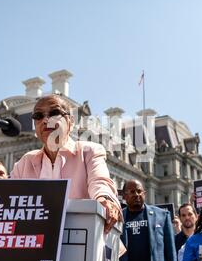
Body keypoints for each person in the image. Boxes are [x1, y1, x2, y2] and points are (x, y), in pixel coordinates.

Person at [10, 94, 121, 233]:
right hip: (36, 243)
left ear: (70, 121)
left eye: (54, 113)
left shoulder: (88, 151)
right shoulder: (25, 162)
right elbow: (9, 202)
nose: (45, 120)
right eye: (38, 116)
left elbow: (100, 182)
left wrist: (104, 199)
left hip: (82, 240)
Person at [119, 180, 178, 261]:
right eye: (132, 192)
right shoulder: (118, 218)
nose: (137, 195)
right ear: (124, 196)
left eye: (139, 191)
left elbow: (171, 255)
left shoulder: (162, 215)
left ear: (144, 194)